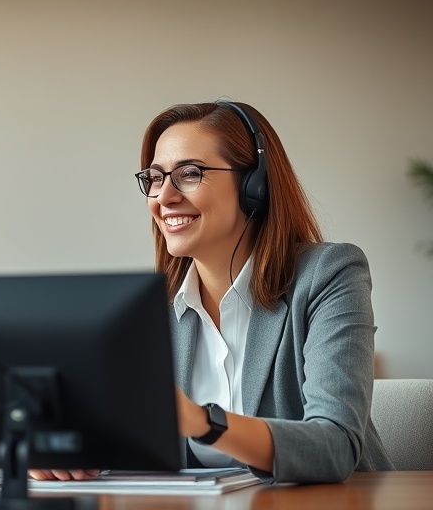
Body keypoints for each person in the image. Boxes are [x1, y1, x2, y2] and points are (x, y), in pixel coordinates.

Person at [31, 100, 393, 484]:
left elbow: (335, 444)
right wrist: (65, 450)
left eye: (189, 173)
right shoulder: (148, 311)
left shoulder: (328, 275)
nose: (164, 197)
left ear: (255, 185)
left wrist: (200, 421)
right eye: (155, 178)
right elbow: (137, 455)